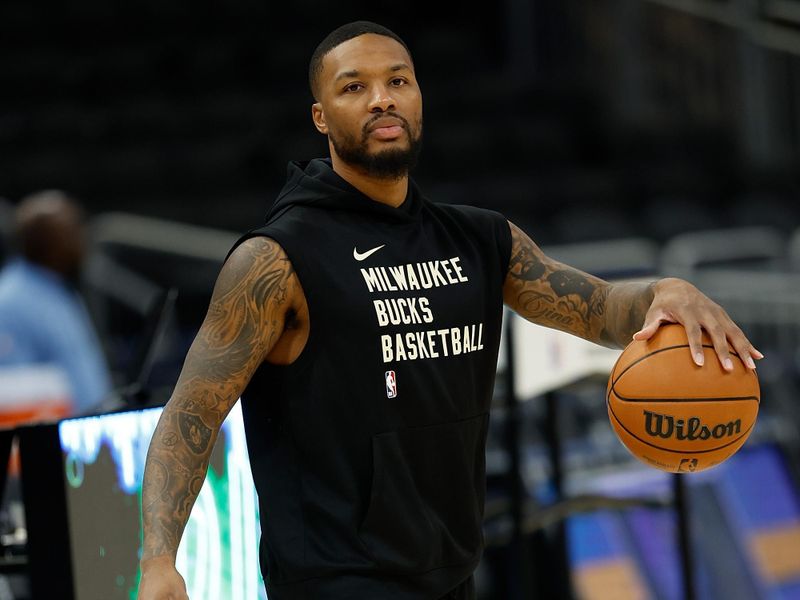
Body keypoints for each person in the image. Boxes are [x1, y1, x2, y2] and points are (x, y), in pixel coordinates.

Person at [137, 21, 762, 600]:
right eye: (355, 87)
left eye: (398, 81)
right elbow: (193, 410)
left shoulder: (480, 239)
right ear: (321, 118)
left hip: (451, 570)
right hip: (336, 582)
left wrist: (664, 291)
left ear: (418, 98)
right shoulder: (278, 259)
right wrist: (159, 558)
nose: (383, 98)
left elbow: (597, 309)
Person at [0, 190, 111, 416]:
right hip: (49, 445)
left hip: (88, 432)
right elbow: (12, 397)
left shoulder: (60, 290)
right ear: (43, 240)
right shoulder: (9, 302)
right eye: (71, 232)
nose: (81, 240)